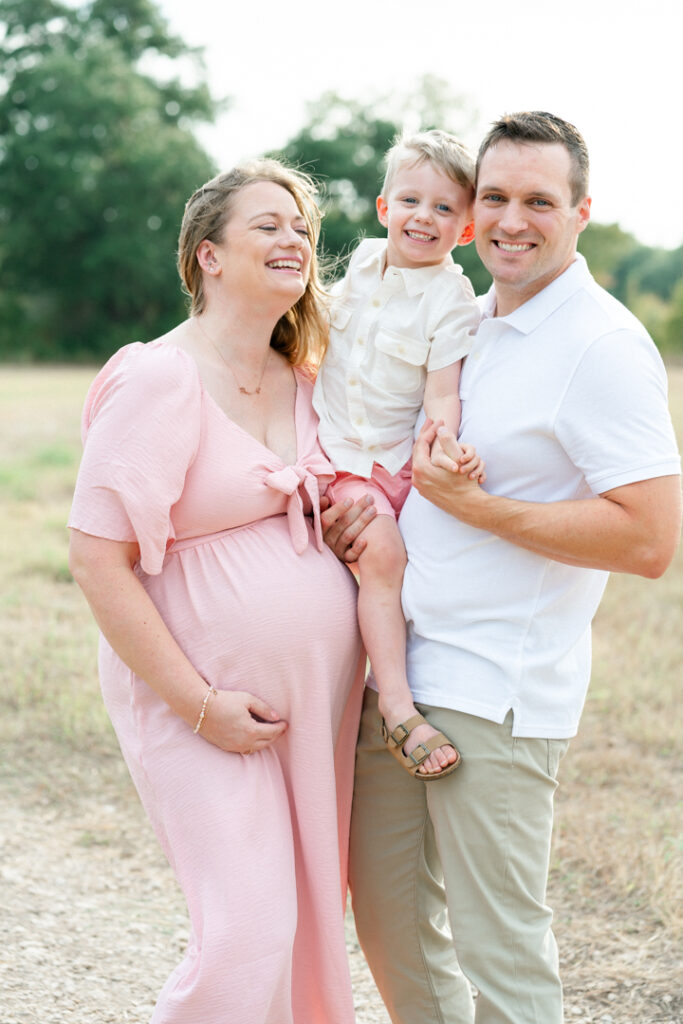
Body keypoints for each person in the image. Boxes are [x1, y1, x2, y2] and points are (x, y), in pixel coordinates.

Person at [347, 112, 681, 1024]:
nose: (510, 219)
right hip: (402, 676)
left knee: (503, 955)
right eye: (492, 197)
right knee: (387, 919)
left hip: (497, 689)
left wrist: (474, 508)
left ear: (580, 212)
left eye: (538, 200)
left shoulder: (600, 346)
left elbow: (650, 539)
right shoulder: (471, 320)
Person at [68, 159, 371, 1024]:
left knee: (307, 924)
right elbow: (96, 559)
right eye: (268, 224)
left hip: (312, 707)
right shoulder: (160, 378)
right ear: (208, 255)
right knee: (247, 932)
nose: (294, 239)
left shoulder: (313, 380)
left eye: (302, 228)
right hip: (196, 703)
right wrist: (199, 704)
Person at [313, 130, 484, 780]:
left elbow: (443, 394)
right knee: (380, 556)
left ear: (464, 229)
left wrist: (445, 447)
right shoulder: (356, 267)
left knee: (417, 566)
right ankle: (397, 704)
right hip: (340, 455)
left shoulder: (452, 300)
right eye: (410, 200)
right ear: (384, 208)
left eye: (444, 208)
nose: (424, 216)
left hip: (397, 462)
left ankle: (408, 693)